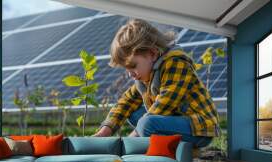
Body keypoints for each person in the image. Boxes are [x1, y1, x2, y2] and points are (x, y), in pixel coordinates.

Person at [92, 19, 220, 148]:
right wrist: (105, 131)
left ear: (152, 54)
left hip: (198, 128)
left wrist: (129, 140)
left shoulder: (176, 63)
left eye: (133, 66)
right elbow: (125, 102)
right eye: (127, 69)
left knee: (147, 124)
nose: (130, 74)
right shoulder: (146, 77)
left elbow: (165, 104)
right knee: (132, 110)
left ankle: (165, 148)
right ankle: (168, 147)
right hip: (173, 123)